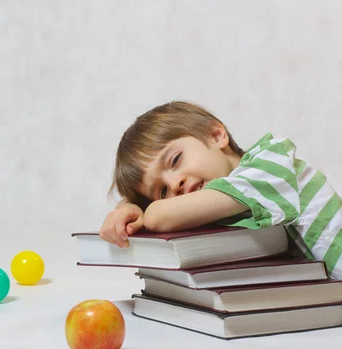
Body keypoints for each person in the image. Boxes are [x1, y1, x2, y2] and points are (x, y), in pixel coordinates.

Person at [100, 101, 342, 279]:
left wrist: (141, 208)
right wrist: (129, 207)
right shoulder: (229, 201)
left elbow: (157, 217)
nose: (175, 185)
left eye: (174, 160)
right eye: (162, 191)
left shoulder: (270, 164)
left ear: (216, 135)